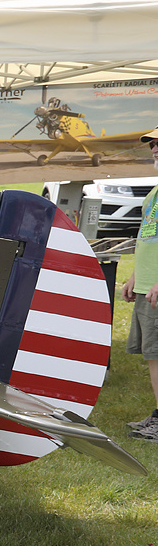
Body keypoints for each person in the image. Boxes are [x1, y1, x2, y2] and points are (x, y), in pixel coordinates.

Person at [122, 126, 158, 441]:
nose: (155, 148)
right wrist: (136, 276)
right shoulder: (154, 193)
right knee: (153, 356)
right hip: (147, 287)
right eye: (153, 144)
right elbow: (148, 237)